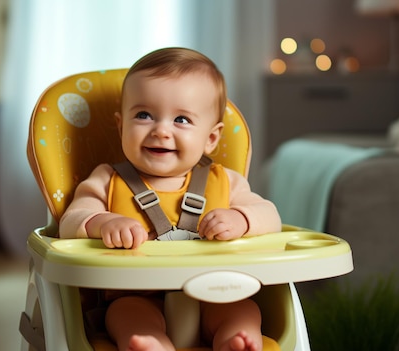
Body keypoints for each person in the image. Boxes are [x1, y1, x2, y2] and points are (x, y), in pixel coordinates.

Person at [60, 47, 282, 351]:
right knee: (126, 316)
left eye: (181, 119)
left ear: (211, 138)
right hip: (136, 294)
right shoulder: (107, 179)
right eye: (143, 115)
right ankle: (151, 344)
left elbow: (270, 216)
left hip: (213, 292)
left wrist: (240, 219)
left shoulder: (225, 182)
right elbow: (70, 223)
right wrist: (103, 222)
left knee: (243, 310)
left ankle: (234, 340)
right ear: (121, 125)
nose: (161, 130)